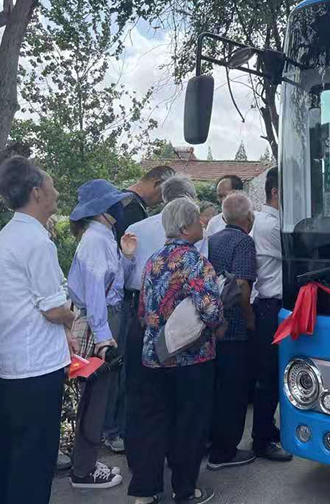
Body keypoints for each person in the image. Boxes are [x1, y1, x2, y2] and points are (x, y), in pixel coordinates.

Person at [0, 157, 78, 504]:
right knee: (34, 460)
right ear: (37, 192)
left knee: (4, 452)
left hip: (7, 362)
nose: (57, 192)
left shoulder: (6, 235)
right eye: (52, 186)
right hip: (34, 367)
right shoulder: (37, 242)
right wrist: (72, 317)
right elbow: (53, 309)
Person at [128, 198, 224, 504]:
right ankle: (184, 490)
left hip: (154, 355)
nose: (202, 224)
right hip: (191, 357)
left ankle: (145, 491)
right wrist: (218, 323)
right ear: (184, 228)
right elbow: (210, 310)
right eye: (197, 220)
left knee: (153, 422)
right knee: (189, 424)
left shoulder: (153, 260)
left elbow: (143, 310)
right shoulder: (195, 261)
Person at [122, 176, 202, 478]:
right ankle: (180, 471)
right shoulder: (193, 233)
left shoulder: (137, 229)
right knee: (183, 402)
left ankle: (142, 469)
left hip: (142, 316)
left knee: (143, 399)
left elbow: (123, 275)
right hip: (183, 324)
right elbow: (202, 286)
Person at [67, 180, 138, 489]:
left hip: (105, 318)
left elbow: (111, 283)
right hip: (103, 321)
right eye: (114, 204)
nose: (118, 208)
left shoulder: (102, 236)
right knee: (96, 397)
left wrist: (126, 257)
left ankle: (85, 462)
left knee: (98, 395)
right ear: (102, 209)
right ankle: (83, 469)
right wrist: (103, 338)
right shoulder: (95, 240)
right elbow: (96, 292)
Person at [103, 164, 175, 453]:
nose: (161, 201)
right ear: (157, 184)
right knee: (123, 368)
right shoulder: (130, 209)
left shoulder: (126, 205)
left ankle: (117, 428)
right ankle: (115, 429)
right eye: (162, 194)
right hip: (129, 299)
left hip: (126, 299)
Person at [207, 192, 257, 470]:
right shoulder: (244, 242)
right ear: (248, 217)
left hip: (211, 326)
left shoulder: (212, 240)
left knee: (215, 389)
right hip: (234, 327)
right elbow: (242, 286)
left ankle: (212, 443)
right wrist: (250, 319)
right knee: (234, 392)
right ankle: (225, 452)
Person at [249, 167, 292, 461]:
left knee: (276, 374)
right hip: (269, 308)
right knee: (268, 377)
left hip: (274, 307)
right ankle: (262, 439)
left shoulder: (272, 222)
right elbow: (295, 255)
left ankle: (269, 429)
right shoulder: (271, 226)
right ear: (276, 192)